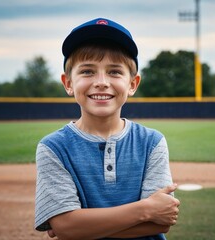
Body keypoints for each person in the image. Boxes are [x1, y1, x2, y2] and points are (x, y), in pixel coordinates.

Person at [34, 18, 180, 240]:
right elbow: (65, 226)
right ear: (68, 83)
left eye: (114, 72)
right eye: (87, 71)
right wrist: (146, 209)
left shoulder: (152, 142)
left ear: (132, 84)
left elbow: (160, 223)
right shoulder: (53, 147)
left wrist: (79, 226)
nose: (101, 81)